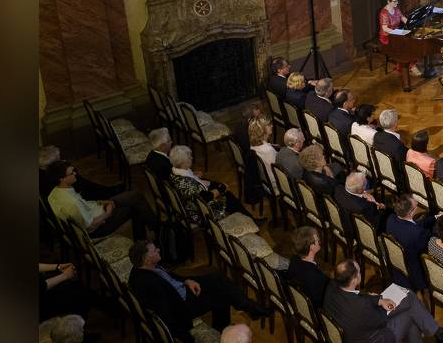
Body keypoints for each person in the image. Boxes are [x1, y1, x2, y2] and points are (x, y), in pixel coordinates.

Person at [128, 240, 268, 342]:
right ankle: (227, 326)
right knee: (222, 297)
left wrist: (186, 281)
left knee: (217, 278)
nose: (158, 250)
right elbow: (165, 314)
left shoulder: (145, 267)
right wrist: (187, 338)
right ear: (146, 259)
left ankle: (248, 307)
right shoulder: (149, 284)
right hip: (183, 305)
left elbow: (170, 278)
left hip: (183, 287)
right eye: (154, 251)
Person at [323, 259, 443, 343]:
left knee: (410, 303)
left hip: (355, 332)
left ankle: (439, 333)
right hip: (375, 338)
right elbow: (380, 320)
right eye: (359, 272)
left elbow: (357, 297)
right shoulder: (361, 307)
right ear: (355, 280)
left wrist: (378, 300)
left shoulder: (332, 285)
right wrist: (381, 302)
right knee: (410, 308)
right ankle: (439, 333)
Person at [46, 160, 151, 239]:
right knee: (135, 208)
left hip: (97, 209)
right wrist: (108, 213)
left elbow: (83, 205)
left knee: (135, 195)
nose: (75, 173)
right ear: (62, 179)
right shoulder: (72, 203)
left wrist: (100, 202)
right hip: (99, 227)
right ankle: (142, 242)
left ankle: (154, 225)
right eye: (71, 172)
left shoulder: (53, 194)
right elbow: (90, 226)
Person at [167, 145, 251, 226]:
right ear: (182, 163)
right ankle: (249, 220)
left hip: (191, 204)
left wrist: (215, 184)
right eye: (189, 158)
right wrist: (221, 188)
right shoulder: (187, 183)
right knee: (229, 198)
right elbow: (206, 197)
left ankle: (245, 218)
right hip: (198, 213)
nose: (192, 158)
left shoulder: (174, 172)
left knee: (225, 194)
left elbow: (196, 183)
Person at [385, 194, 435, 291]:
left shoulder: (391, 219)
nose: (417, 204)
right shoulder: (417, 233)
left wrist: (435, 217)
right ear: (410, 213)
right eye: (416, 205)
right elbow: (429, 248)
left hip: (396, 263)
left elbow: (413, 225)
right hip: (415, 272)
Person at [40, 145, 120, 200]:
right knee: (84, 183)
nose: (62, 160)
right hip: (77, 194)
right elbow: (76, 185)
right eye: (59, 159)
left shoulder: (47, 169)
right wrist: (70, 170)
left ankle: (107, 190)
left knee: (85, 182)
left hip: (78, 187)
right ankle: (108, 193)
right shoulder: (50, 178)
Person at [379, 0, 424, 78]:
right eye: (395, 1)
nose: (397, 3)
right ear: (388, 1)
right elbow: (384, 28)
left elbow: (403, 18)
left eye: (397, 1)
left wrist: (412, 23)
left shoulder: (396, 9)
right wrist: (396, 32)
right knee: (404, 46)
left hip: (397, 33)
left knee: (412, 42)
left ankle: (408, 64)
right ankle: (410, 66)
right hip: (387, 36)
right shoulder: (384, 13)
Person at [284, 226, 330, 307]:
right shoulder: (316, 277)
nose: (319, 241)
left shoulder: (294, 259)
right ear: (311, 247)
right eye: (317, 240)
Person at [373, 109, 408, 185]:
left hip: (381, 170)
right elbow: (402, 167)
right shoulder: (398, 146)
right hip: (396, 178)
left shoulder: (377, 136)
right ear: (395, 124)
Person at [247, 112, 277, 186]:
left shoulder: (252, 145)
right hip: (274, 183)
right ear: (262, 129)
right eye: (269, 125)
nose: (272, 126)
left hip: (263, 180)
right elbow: (278, 172)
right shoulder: (269, 150)